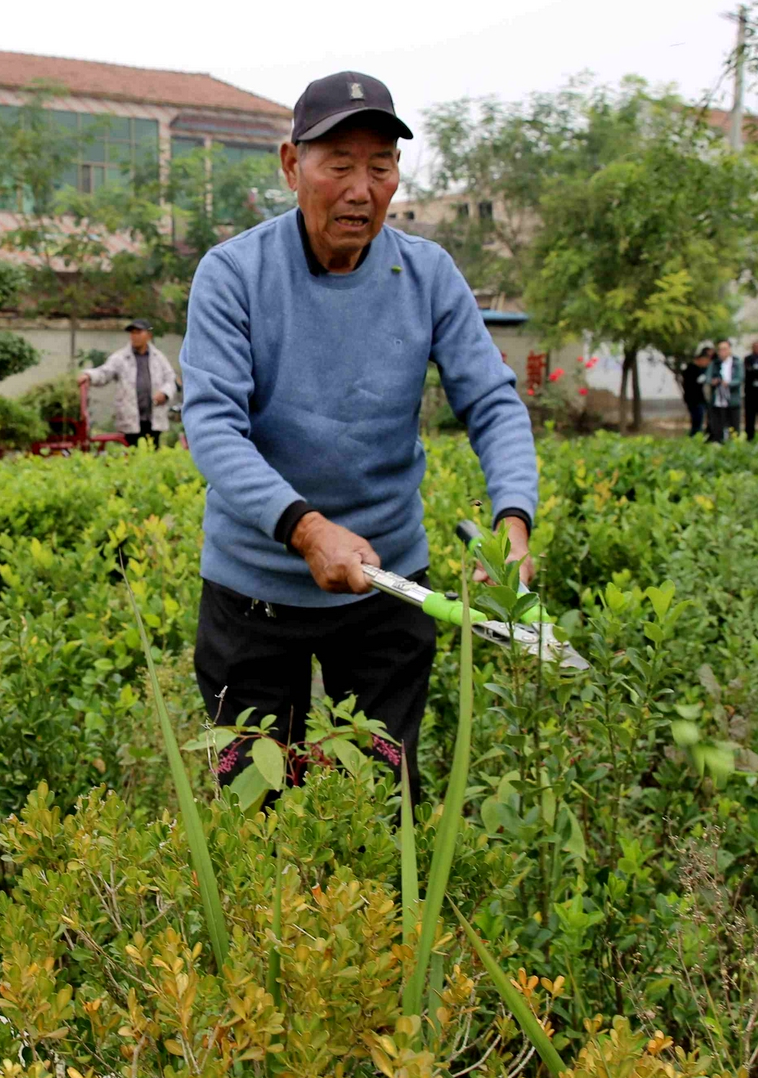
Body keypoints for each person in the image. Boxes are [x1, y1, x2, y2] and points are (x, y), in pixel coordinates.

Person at [180, 70, 538, 797]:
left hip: (387, 588)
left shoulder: (429, 274)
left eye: (380, 166)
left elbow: (494, 405)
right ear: (291, 165)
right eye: (338, 164)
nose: (360, 188)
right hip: (255, 593)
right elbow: (213, 426)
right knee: (254, 808)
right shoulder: (234, 274)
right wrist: (307, 530)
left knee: (381, 807)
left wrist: (513, 526)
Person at [80, 319, 177, 447]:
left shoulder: (159, 358)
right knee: (130, 453)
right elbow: (104, 373)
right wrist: (89, 375)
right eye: (132, 333)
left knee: (153, 452)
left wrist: (164, 393)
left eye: (138, 332)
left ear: (148, 335)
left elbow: (171, 379)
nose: (134, 336)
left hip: (153, 416)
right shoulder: (120, 357)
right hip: (130, 418)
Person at [705, 339, 742, 444]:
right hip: (717, 399)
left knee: (733, 427)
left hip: (732, 399)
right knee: (717, 426)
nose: (722, 352)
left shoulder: (736, 363)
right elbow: (707, 378)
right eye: (720, 349)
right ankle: (718, 443)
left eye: (725, 349)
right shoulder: (715, 363)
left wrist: (728, 383)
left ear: (729, 350)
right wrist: (714, 381)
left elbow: (739, 379)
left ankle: (733, 446)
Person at [680, 345, 711, 437]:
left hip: (700, 399)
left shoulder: (703, 370)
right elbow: (690, 386)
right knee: (697, 420)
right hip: (694, 400)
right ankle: (695, 436)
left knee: (700, 420)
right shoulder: (691, 369)